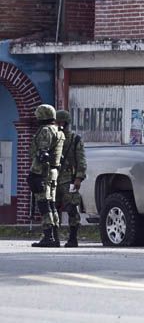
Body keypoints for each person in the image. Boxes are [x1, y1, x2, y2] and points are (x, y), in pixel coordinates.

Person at [29, 104, 65, 247]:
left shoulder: (45, 130)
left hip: (43, 172)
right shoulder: (59, 131)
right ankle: (55, 237)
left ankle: (48, 237)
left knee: (44, 205)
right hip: (53, 172)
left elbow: (43, 154)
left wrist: (34, 174)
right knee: (51, 205)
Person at [56, 110, 87, 247]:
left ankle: (73, 238)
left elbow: (81, 160)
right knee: (53, 209)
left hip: (69, 179)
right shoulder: (53, 138)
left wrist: (79, 178)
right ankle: (53, 237)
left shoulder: (75, 139)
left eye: (61, 122)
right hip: (54, 179)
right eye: (57, 122)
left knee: (71, 209)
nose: (59, 124)